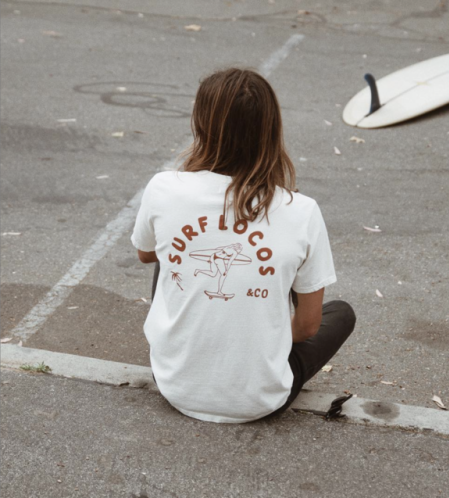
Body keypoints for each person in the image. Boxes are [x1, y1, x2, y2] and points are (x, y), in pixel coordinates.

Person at [131, 67, 356, 424]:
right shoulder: (301, 211)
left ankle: (191, 346)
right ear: (271, 131)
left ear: (201, 126)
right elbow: (309, 327)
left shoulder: (163, 187)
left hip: (173, 384)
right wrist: (261, 330)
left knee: (171, 248)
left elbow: (145, 253)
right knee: (340, 313)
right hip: (261, 400)